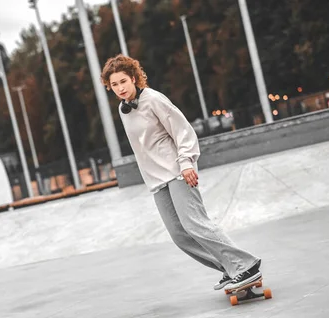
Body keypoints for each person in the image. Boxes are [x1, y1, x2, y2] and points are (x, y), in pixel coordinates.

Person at [100, 54, 261, 291]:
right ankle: (229, 268)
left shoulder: (154, 99)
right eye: (114, 85)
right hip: (156, 180)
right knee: (179, 235)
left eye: (123, 81)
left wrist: (186, 162)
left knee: (195, 224)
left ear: (133, 78)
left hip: (177, 171)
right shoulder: (124, 109)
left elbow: (183, 131)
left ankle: (245, 265)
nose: (120, 88)